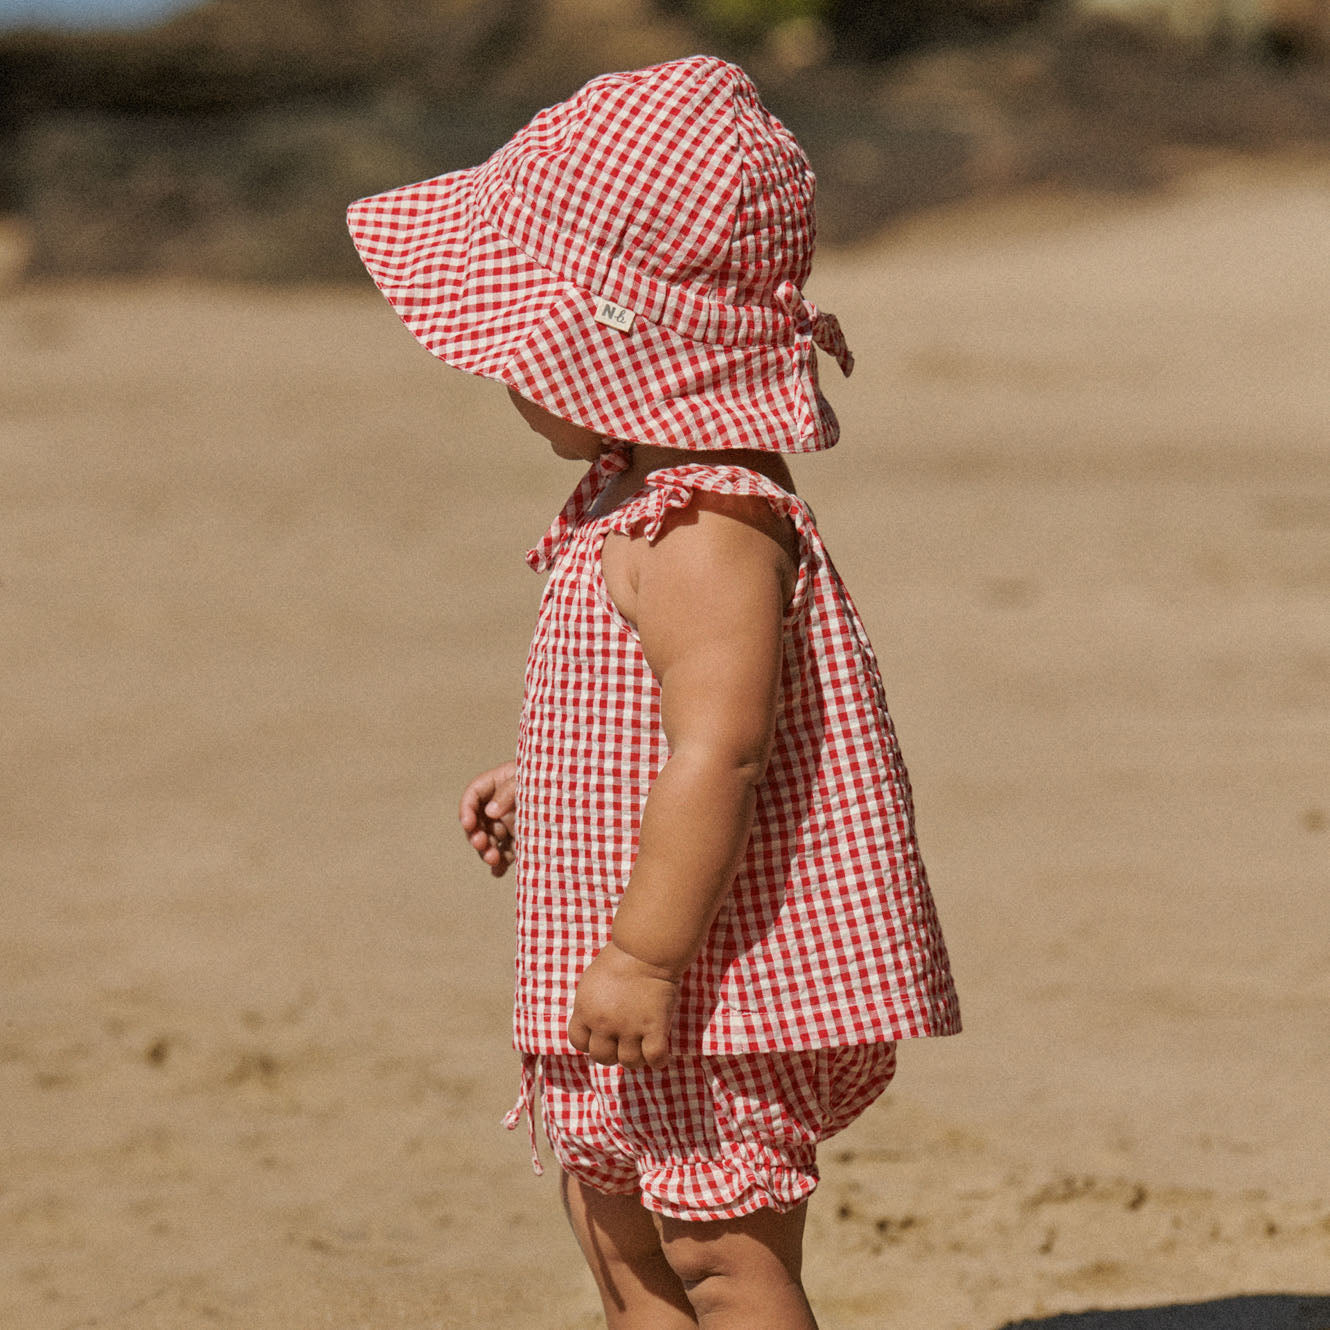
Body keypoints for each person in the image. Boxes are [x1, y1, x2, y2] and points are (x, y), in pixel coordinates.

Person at [348, 55, 960, 1330]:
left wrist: (642, 955)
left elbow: (723, 750)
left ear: (613, 351)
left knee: (720, 1256)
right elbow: (656, 727)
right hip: (635, 962)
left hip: (711, 978)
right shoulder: (637, 495)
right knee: (618, 1236)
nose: (504, 378)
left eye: (521, 347)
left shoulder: (708, 528)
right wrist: (557, 781)